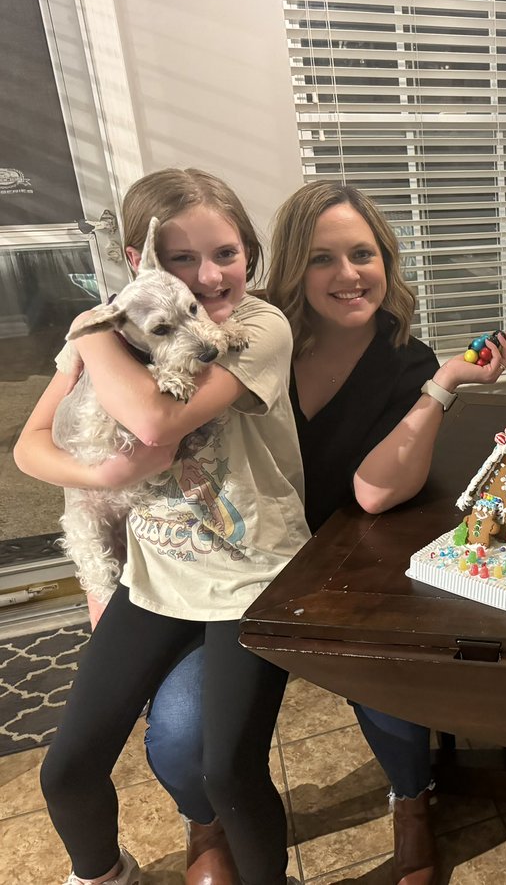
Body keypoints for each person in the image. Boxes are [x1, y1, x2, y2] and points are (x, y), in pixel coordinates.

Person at [139, 181, 506, 885]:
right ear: (290, 268)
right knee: (184, 737)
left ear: (386, 260)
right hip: (232, 569)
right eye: (321, 259)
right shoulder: (244, 337)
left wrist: (446, 381)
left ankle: (412, 799)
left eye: (362, 254)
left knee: (395, 701)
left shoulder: (404, 358)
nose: (347, 275)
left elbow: (374, 491)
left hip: (338, 570)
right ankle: (206, 818)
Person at [15, 168, 311, 885]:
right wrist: (103, 477)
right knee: (67, 769)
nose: (210, 277)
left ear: (249, 254)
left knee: (228, 771)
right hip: (151, 576)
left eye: (227, 253)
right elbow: (31, 445)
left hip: (252, 574)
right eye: (183, 258)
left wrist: (92, 337)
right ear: (141, 261)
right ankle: (104, 877)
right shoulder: (105, 332)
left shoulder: (259, 325)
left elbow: (153, 422)